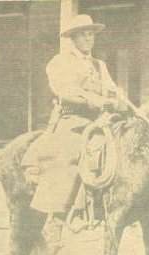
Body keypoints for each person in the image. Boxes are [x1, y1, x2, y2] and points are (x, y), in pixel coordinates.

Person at [22, 15, 127, 237]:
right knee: (70, 155)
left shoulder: (100, 65)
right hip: (72, 120)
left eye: (91, 34)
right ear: (73, 38)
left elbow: (112, 90)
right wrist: (97, 100)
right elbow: (65, 91)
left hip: (100, 120)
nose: (89, 39)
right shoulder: (60, 62)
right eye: (84, 34)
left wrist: (121, 101)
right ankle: (57, 218)